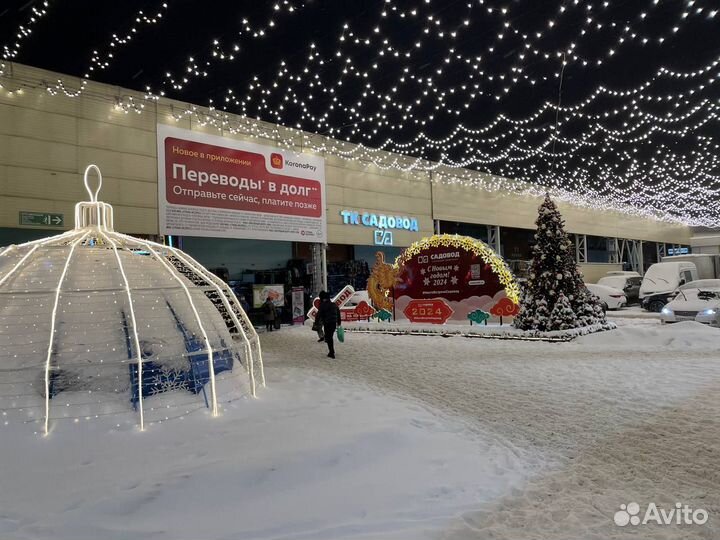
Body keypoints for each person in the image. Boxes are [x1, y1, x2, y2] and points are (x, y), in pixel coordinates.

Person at [316, 291, 341, 358]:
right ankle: (331, 351)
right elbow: (338, 313)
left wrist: (316, 323)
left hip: (327, 323)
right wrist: (339, 322)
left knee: (329, 337)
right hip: (333, 323)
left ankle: (331, 352)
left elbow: (318, 315)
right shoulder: (334, 304)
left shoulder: (323, 305)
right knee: (330, 336)